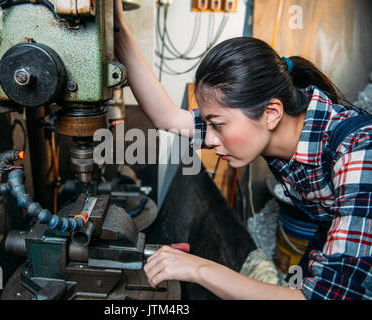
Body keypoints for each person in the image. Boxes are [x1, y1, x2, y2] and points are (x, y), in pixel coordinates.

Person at [113, 0, 372, 299]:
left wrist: (199, 269)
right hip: (326, 250)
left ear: (272, 113)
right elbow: (168, 117)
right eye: (207, 124)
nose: (208, 140)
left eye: (218, 125)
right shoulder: (272, 123)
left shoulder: (358, 153)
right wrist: (118, 29)